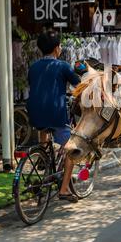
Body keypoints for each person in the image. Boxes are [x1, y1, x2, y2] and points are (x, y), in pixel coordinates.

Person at [27, 31, 81, 203]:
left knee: (44, 127)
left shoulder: (33, 67)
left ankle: (44, 157)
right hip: (55, 113)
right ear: (57, 48)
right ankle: (64, 190)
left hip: (34, 112)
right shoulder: (62, 66)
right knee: (72, 149)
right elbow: (78, 85)